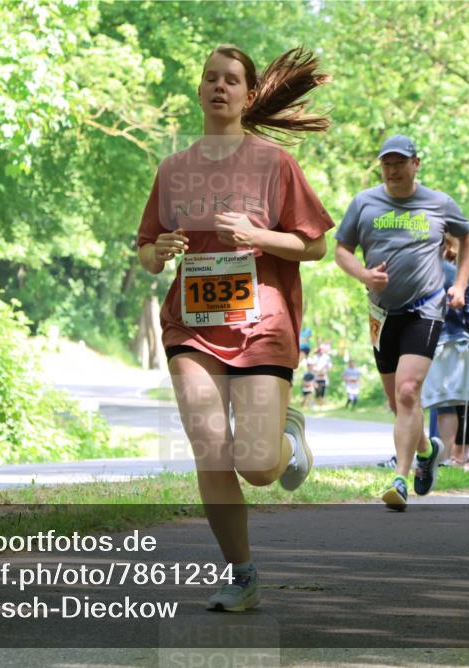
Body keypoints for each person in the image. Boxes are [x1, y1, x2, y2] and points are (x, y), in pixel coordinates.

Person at [136, 44, 333, 610]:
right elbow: (147, 251)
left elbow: (314, 245)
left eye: (231, 80)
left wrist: (258, 236)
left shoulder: (274, 164)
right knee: (209, 447)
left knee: (258, 466)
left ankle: (286, 438)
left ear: (248, 96)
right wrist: (160, 251)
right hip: (192, 325)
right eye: (210, 78)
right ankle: (242, 575)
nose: (219, 87)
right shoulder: (173, 169)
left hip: (260, 323)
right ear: (199, 91)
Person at [335, 134, 469, 510]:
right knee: (398, 403)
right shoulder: (364, 203)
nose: (393, 170)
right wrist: (364, 275)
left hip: (425, 308)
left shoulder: (438, 203)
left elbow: (468, 236)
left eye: (400, 163)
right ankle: (428, 451)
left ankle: (400, 478)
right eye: (387, 164)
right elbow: (341, 250)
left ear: (416, 164)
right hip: (381, 314)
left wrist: (460, 284)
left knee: (409, 392)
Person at [422, 234, 469, 462]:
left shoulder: (431, 270)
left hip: (441, 342)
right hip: (451, 341)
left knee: (439, 403)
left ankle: (439, 458)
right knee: (445, 404)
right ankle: (442, 458)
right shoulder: (454, 272)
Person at [307, 343, 333, 408]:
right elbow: (311, 366)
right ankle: (315, 404)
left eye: (323, 349)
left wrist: (324, 372)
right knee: (316, 391)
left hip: (323, 378)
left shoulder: (327, 357)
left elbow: (330, 367)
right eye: (320, 349)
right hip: (315, 377)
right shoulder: (315, 356)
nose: (321, 350)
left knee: (322, 392)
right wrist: (316, 370)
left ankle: (321, 405)